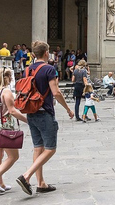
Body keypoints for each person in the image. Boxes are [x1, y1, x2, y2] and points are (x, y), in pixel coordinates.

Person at [16, 40, 75, 196]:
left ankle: (41, 183)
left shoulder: (27, 70)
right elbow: (55, 92)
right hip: (44, 111)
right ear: (47, 53)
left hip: (30, 111)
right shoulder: (49, 69)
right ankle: (26, 176)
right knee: (50, 149)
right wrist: (68, 108)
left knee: (38, 147)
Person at [0, 68, 28, 193]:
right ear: (5, 78)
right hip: (3, 127)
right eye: (10, 77)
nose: (11, 79)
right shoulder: (6, 91)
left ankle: (0, 184)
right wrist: (27, 121)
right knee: (13, 156)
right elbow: (12, 111)